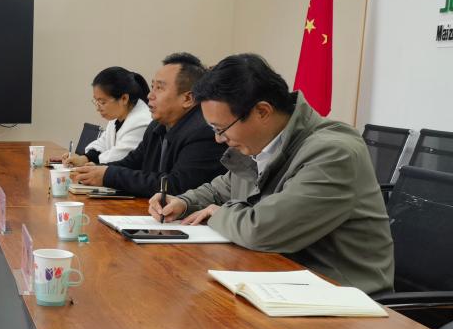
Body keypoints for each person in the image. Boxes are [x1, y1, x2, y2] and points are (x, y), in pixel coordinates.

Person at [149, 53, 394, 294]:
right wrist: (184, 202)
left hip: (342, 295)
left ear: (262, 111)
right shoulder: (258, 142)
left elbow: (261, 230)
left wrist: (219, 213)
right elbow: (220, 189)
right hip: (282, 279)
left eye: (221, 128)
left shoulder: (333, 153)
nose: (218, 139)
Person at [70, 52, 226, 196]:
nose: (150, 95)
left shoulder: (204, 131)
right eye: (152, 87)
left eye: (159, 88)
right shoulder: (156, 126)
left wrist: (109, 175)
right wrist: (96, 170)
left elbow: (177, 185)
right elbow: (132, 163)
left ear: (187, 99)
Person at [62, 67, 152, 167]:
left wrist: (93, 164)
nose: (98, 108)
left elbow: (119, 158)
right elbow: (103, 142)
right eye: (96, 101)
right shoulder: (118, 116)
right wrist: (84, 158)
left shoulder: (141, 122)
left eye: (102, 102)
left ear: (124, 98)